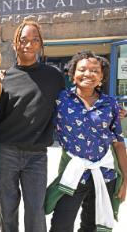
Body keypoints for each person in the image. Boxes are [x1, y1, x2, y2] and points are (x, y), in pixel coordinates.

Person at [45, 51, 127, 232]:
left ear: (102, 77)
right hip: (73, 175)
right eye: (82, 69)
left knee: (92, 227)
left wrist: (125, 180)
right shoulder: (61, 99)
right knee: (61, 225)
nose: (88, 74)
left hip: (105, 175)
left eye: (95, 71)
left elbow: (119, 143)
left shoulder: (110, 104)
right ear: (73, 75)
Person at [0, 20, 65, 232]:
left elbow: (72, 103)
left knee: (36, 209)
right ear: (15, 44)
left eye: (35, 40)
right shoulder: (3, 78)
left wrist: (113, 109)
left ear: (41, 44)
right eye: (23, 40)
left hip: (36, 154)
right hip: (5, 151)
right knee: (7, 208)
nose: (28, 44)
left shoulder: (54, 77)